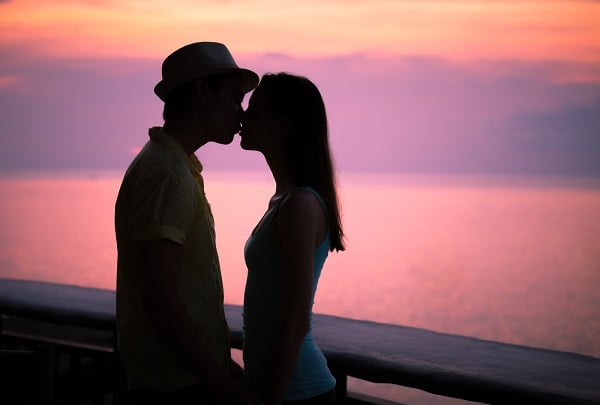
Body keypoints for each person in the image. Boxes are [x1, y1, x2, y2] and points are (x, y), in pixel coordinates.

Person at [114, 42, 262, 405]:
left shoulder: (171, 165)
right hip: (174, 387)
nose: (241, 113)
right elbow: (161, 297)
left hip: (179, 378)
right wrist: (223, 386)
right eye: (233, 97)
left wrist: (224, 368)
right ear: (201, 92)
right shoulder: (168, 174)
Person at [239, 73, 345, 405]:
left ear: (284, 126)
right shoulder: (283, 200)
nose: (242, 116)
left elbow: (297, 319)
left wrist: (269, 399)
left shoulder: (300, 204)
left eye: (254, 110)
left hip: (299, 393)